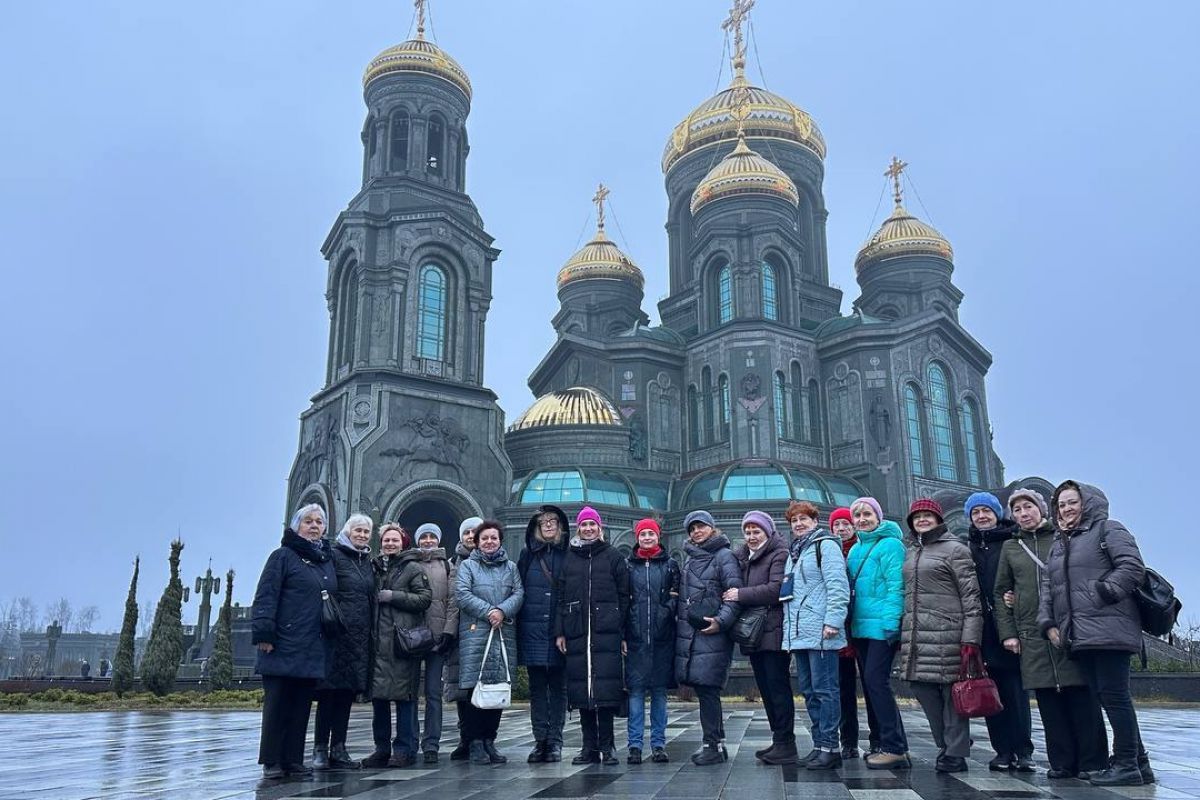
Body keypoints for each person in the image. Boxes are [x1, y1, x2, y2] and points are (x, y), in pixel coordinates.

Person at [1038, 481, 1154, 787]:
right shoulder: (1060, 543)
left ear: (1087, 502)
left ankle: (1127, 762)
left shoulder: (1108, 529)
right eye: (1061, 504)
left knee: (1115, 698)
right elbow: (1050, 586)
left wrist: (1103, 592)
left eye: (1072, 502)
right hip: (1080, 633)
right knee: (1109, 697)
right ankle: (1139, 763)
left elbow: (1132, 566)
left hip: (1110, 627)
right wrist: (1048, 623)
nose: (1066, 509)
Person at [994, 487, 1108, 780]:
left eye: (1028, 507)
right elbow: (1001, 591)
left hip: (1068, 627)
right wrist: (1009, 632)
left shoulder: (1062, 537)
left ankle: (1092, 761)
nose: (1024, 514)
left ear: (1043, 509)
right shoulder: (1011, 547)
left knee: (1081, 693)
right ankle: (1062, 762)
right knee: (1047, 699)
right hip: (1030, 632)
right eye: (1017, 510)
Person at [252, 503, 337, 780]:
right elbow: (266, 595)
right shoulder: (283, 556)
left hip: (312, 643)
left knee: (301, 705)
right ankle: (272, 760)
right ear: (295, 526)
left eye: (319, 522)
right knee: (277, 704)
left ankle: (293, 759)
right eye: (308, 521)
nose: (314, 526)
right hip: (283, 642)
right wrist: (265, 634)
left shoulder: (325, 560)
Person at [901, 499, 983, 773]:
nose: (922, 520)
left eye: (927, 515)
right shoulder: (912, 551)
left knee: (952, 694)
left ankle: (955, 753)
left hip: (949, 631)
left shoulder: (955, 550)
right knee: (919, 686)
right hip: (917, 633)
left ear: (938, 519)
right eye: (917, 516)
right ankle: (949, 742)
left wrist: (970, 638)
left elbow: (971, 596)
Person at [555, 506, 630, 766]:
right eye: (584, 525)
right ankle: (589, 747)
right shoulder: (570, 558)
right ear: (578, 528)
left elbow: (624, 596)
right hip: (577, 632)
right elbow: (560, 597)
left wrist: (621, 631)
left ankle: (608, 747)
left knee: (605, 691)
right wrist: (560, 632)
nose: (588, 529)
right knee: (582, 691)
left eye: (592, 525)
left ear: (600, 529)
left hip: (606, 632)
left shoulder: (613, 557)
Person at [965, 492, 1034, 772]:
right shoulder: (967, 547)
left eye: (986, 511)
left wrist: (1016, 597)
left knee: (1015, 690)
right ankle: (1002, 750)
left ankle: (1023, 749)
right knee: (990, 691)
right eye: (976, 512)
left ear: (997, 513)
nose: (982, 516)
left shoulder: (1013, 542)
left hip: (1010, 627)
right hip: (982, 630)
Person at [780, 501, 850, 769]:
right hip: (800, 633)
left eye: (803, 519)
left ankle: (831, 747)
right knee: (809, 691)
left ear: (814, 520)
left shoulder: (825, 546)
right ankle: (820, 743)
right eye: (794, 520)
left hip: (822, 630)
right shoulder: (795, 552)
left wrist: (833, 620)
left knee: (826, 689)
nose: (798, 524)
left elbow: (837, 585)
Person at [846, 496, 910, 770]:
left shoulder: (891, 545)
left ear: (878, 516)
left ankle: (894, 748)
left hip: (881, 628)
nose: (862, 519)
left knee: (876, 681)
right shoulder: (855, 549)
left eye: (867, 514)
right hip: (860, 627)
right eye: (857, 515)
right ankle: (893, 744)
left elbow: (897, 586)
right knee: (873, 685)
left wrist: (891, 624)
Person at [675, 509, 742, 766]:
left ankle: (712, 745)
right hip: (693, 635)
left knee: (708, 689)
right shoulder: (690, 560)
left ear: (712, 528)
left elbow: (734, 593)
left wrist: (721, 622)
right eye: (692, 529)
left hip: (713, 634)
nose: (696, 532)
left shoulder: (724, 556)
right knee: (704, 690)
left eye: (701, 526)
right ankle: (715, 743)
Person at [363, 523, 433, 768]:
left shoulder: (412, 568)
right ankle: (381, 748)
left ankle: (405, 748)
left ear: (403, 543)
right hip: (377, 644)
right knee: (379, 699)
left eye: (394, 540)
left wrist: (394, 596)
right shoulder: (373, 567)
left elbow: (425, 598)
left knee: (405, 698)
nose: (389, 544)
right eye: (386, 540)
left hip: (401, 643)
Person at [726, 509, 792, 764]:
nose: (752, 536)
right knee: (766, 689)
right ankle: (779, 740)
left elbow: (777, 590)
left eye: (757, 531)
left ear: (768, 532)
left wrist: (740, 595)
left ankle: (786, 743)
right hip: (754, 634)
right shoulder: (743, 556)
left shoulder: (779, 554)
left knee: (778, 688)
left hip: (773, 632)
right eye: (748, 532)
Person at [456, 520, 524, 765]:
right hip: (476, 633)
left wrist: (503, 612)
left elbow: (519, 594)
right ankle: (474, 742)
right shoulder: (468, 566)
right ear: (477, 541)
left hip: (502, 633)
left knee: (497, 689)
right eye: (484, 538)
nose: (489, 542)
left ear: (500, 541)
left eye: (493, 538)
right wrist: (490, 612)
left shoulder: (511, 567)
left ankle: (489, 741)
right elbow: (462, 594)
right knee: (476, 688)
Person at [313, 514, 376, 771]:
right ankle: (319, 749)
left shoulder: (366, 561)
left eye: (366, 532)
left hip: (359, 638)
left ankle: (339, 748)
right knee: (328, 694)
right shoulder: (333, 555)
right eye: (357, 531)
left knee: (345, 696)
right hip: (336, 634)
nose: (362, 535)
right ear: (347, 532)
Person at [517, 505, 570, 763]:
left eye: (553, 521)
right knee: (537, 689)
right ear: (536, 528)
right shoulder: (527, 556)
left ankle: (556, 741)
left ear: (561, 526)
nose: (548, 525)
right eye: (543, 522)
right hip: (533, 630)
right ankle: (540, 741)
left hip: (560, 633)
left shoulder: (569, 555)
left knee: (559, 689)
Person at [404, 522, 459, 764]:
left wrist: (448, 632)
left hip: (436, 639)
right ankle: (410, 741)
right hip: (412, 638)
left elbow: (452, 601)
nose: (428, 541)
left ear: (438, 539)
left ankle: (431, 744)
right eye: (423, 536)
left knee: (434, 694)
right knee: (410, 694)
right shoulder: (408, 564)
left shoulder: (447, 566)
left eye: (431, 537)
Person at [625, 518, 679, 765]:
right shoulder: (627, 566)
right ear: (637, 537)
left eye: (651, 533)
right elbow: (623, 602)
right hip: (635, 639)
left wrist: (664, 617)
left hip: (662, 639)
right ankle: (634, 745)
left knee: (659, 693)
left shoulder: (670, 565)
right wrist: (625, 634)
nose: (647, 537)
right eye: (643, 534)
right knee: (635, 693)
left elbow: (675, 597)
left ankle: (658, 744)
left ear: (659, 536)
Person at [830, 506, 877, 759]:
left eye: (845, 524)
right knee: (843, 688)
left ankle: (877, 739)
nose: (841, 529)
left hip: (865, 625)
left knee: (873, 685)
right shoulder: (828, 552)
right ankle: (848, 740)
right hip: (839, 630)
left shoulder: (864, 550)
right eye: (836, 525)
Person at [445, 516, 482, 760]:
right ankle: (465, 739)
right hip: (457, 634)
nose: (471, 536)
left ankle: (483, 739)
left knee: (483, 689)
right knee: (462, 689)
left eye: (475, 531)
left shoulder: (494, 562)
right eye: (467, 532)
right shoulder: (450, 565)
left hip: (482, 631)